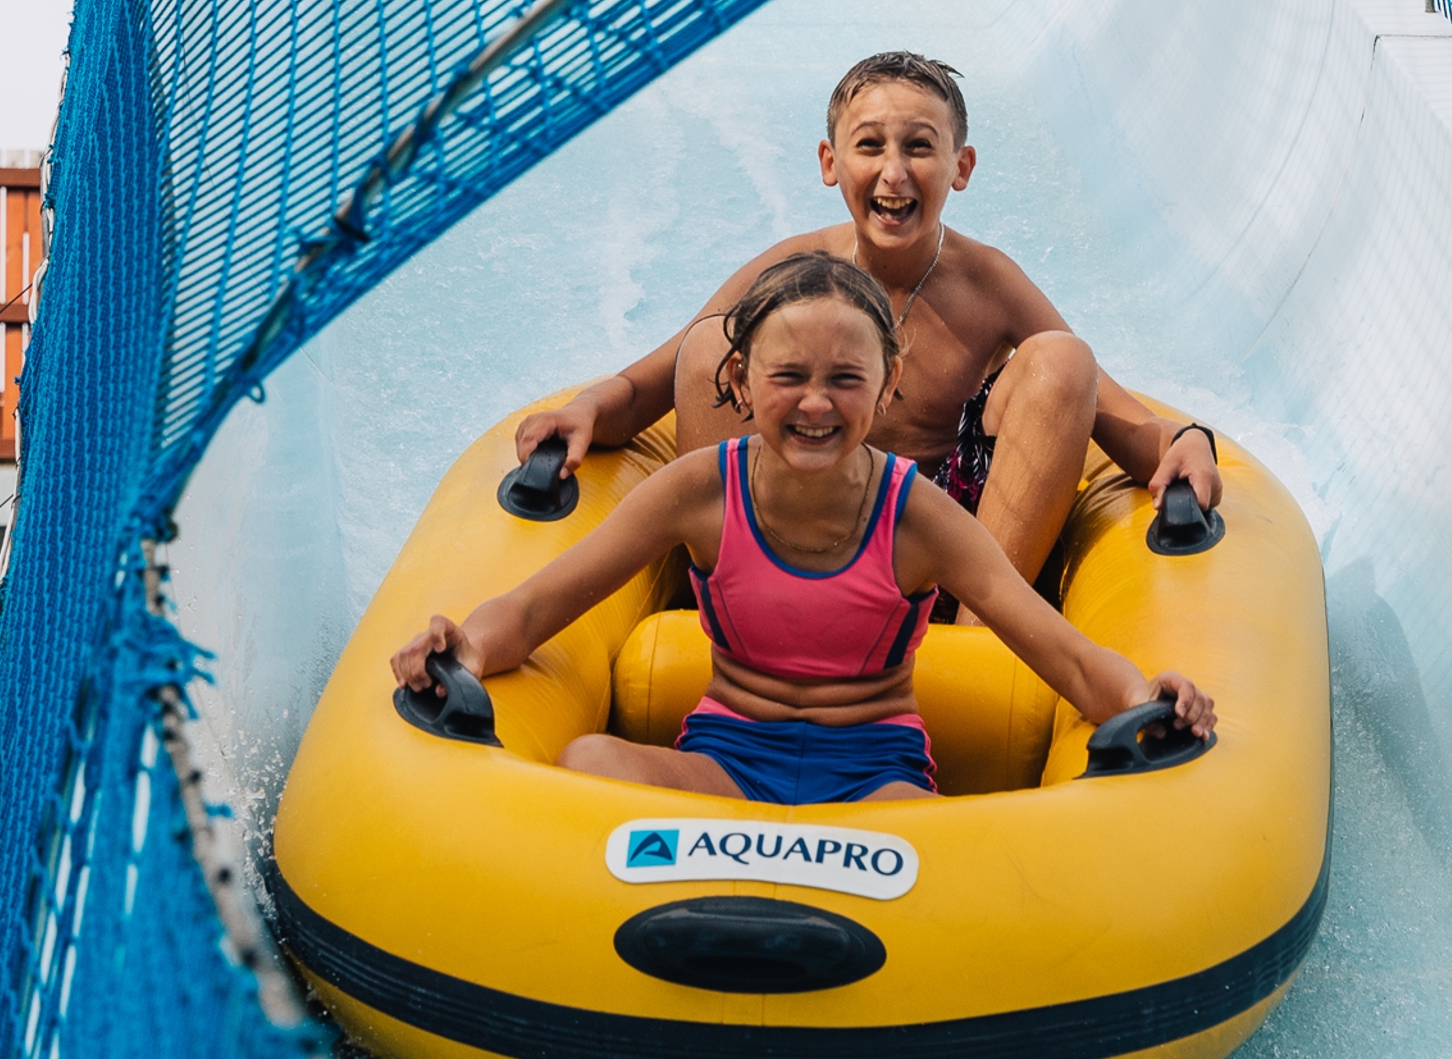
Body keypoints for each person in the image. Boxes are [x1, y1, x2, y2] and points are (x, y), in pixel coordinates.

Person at [393, 253, 1215, 806]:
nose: (815, 403)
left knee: (941, 839)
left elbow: (1060, 650)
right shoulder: (698, 493)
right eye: (787, 377)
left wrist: (1146, 697)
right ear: (740, 382)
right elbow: (538, 607)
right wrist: (461, 650)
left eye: (844, 379)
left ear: (887, 386)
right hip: (724, 762)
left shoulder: (915, 515)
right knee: (586, 764)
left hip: (876, 777)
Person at [509, 51, 1219, 605]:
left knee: (1062, 359)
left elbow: (1112, 415)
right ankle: (727, 611)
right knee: (711, 344)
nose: (893, 173)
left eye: (919, 147)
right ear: (830, 163)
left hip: (937, 559)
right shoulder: (794, 269)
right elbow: (655, 383)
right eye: (869, 145)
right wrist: (584, 410)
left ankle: (980, 651)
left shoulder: (986, 284)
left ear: (960, 167)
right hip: (790, 551)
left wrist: (1185, 441)